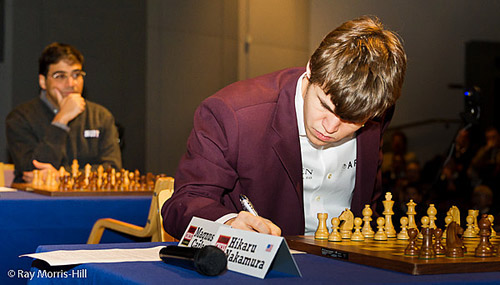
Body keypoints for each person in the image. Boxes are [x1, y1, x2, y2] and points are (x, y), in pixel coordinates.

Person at [162, 16, 407, 239]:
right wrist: (227, 224)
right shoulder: (233, 115)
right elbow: (182, 204)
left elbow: (370, 202)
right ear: (311, 68)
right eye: (324, 105)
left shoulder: (378, 112)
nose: (331, 127)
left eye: (352, 120)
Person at [6, 42, 122, 183]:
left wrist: (64, 176)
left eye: (76, 75)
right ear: (43, 81)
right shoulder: (20, 118)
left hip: (89, 201)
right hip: (37, 201)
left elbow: (113, 169)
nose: (71, 83)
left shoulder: (101, 116)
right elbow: (32, 171)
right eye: (60, 76)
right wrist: (61, 121)